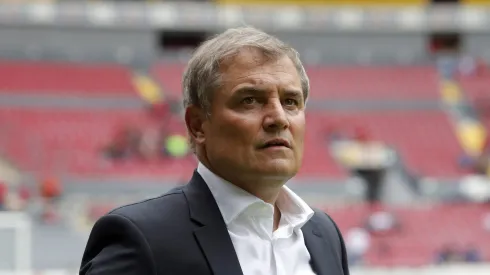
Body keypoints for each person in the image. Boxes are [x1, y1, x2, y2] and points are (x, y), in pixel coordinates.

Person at [80, 27, 349, 275]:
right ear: (197, 125)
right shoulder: (142, 238)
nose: (279, 118)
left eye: (291, 102)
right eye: (250, 100)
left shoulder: (324, 235)